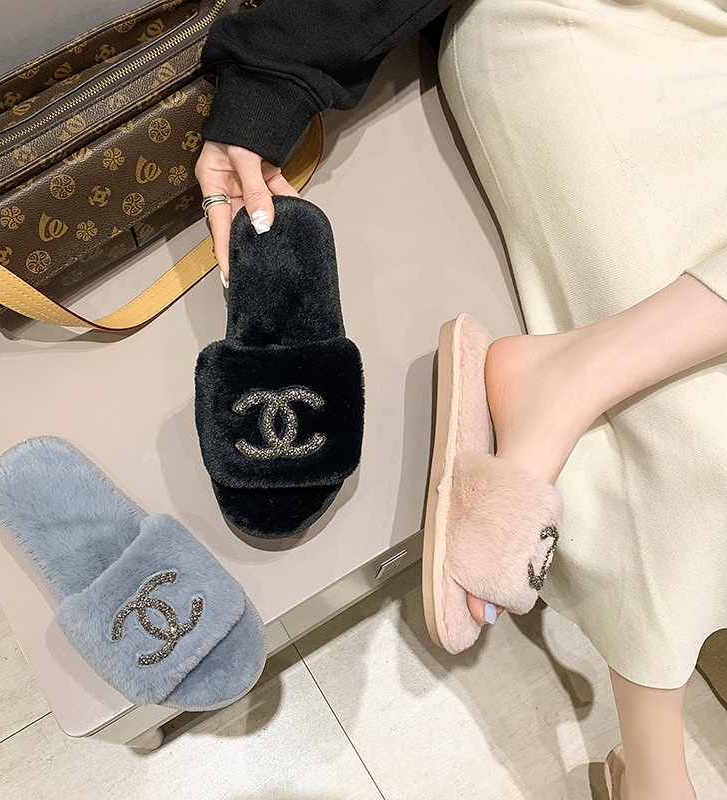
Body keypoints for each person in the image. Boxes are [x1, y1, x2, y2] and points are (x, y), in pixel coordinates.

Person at [194, 1, 727, 798]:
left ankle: (580, 372)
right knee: (702, 427)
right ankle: (655, 771)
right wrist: (271, 78)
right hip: (581, 26)